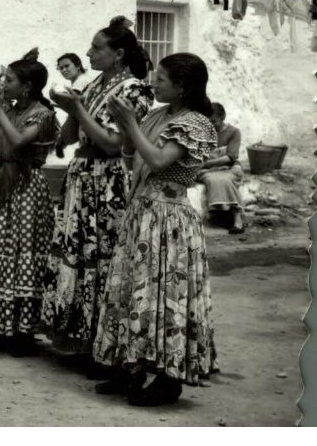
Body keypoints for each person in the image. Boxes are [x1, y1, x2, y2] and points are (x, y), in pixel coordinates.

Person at [94, 53, 218, 407]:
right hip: (143, 213)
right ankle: (128, 366)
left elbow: (160, 160)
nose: (153, 83)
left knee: (166, 295)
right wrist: (128, 123)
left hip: (169, 219)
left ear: (181, 87)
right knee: (135, 290)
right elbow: (131, 150)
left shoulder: (196, 123)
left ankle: (168, 378)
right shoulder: (159, 115)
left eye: (161, 79)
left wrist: (131, 123)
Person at [41, 25, 153, 368]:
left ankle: (102, 345)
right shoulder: (92, 85)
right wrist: (67, 109)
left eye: (96, 48)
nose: (88, 54)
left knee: (102, 255)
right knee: (76, 251)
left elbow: (112, 143)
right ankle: (76, 337)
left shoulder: (134, 90)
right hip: (82, 176)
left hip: (108, 180)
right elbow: (73, 136)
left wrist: (78, 111)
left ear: (118, 54)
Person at [0, 49, 60, 355]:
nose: (3, 83)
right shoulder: (5, 109)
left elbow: (20, 141)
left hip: (25, 188)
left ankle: (22, 332)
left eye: (10, 79)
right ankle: (0, 327)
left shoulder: (43, 114)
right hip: (0, 186)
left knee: (23, 255)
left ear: (28, 87)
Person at [199, 102, 245, 233]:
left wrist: (206, 163)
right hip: (208, 170)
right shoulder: (203, 133)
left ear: (222, 118)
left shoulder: (234, 132)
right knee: (213, 180)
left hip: (229, 167)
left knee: (227, 179)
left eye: (214, 121)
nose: (211, 125)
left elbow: (230, 157)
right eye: (208, 122)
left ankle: (237, 218)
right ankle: (228, 216)